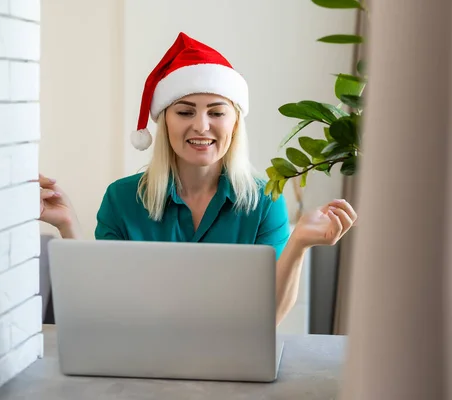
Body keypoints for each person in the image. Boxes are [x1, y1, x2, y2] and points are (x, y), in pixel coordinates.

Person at [38, 32, 357, 325]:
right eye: (185, 112)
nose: (202, 126)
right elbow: (100, 306)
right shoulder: (121, 199)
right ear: (165, 122)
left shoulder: (265, 201)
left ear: (234, 123)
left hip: (231, 366)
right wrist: (68, 225)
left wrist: (299, 243)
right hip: (140, 363)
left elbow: (267, 319)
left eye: (216, 112)